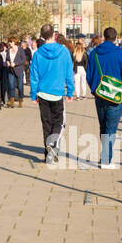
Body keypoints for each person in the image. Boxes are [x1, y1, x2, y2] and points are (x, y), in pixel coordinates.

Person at [30, 24, 75, 166]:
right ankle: (53, 145)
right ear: (54, 35)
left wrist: (33, 94)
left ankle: (48, 152)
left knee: (46, 124)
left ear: (42, 36)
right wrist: (70, 91)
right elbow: (69, 72)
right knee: (59, 123)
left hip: (42, 92)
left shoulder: (37, 54)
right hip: (57, 92)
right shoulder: (64, 51)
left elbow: (34, 76)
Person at [88, 27, 122, 168]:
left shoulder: (94, 53)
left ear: (104, 37)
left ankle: (105, 156)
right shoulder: (120, 54)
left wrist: (95, 90)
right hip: (116, 96)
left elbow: (89, 75)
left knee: (103, 126)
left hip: (100, 95)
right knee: (111, 128)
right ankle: (106, 160)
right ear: (116, 38)